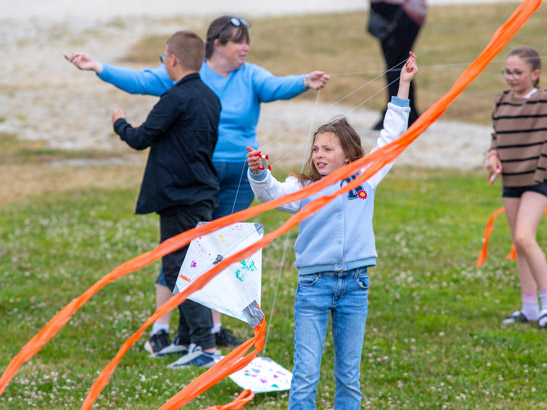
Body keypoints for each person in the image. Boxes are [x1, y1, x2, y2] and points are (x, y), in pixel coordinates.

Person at [65, 15, 330, 353]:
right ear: (216, 45)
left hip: (238, 177)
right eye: (237, 40)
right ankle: (162, 328)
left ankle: (212, 329)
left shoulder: (251, 76)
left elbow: (278, 86)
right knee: (181, 248)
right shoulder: (189, 73)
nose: (245, 46)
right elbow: (141, 80)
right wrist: (98, 67)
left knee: (217, 250)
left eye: (246, 40)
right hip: (197, 174)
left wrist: (304, 81)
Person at [247, 52, 417, 409]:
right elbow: (271, 195)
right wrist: (260, 173)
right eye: (316, 149)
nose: (319, 154)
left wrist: (402, 85)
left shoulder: (365, 178)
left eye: (328, 149)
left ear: (349, 155)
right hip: (313, 287)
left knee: (348, 377)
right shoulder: (303, 186)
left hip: (355, 286)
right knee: (306, 375)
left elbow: (392, 138)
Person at [112, 30, 222, 368]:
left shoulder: (175, 98)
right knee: (194, 267)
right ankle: (186, 339)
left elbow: (140, 138)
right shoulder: (210, 97)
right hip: (201, 194)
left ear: (172, 60)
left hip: (179, 198)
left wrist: (119, 123)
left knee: (180, 271)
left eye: (164, 58)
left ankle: (206, 348)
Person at [485, 47, 547, 329]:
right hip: (510, 180)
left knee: (526, 237)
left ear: (535, 74)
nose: (511, 77)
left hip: (537, 178)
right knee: (518, 243)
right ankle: (529, 308)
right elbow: (496, 136)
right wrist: (492, 156)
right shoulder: (502, 100)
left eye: (518, 72)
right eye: (507, 71)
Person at [369, 0, 426, 130]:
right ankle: (407, 115)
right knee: (394, 66)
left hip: (403, 11)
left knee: (396, 66)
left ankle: (400, 117)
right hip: (387, 11)